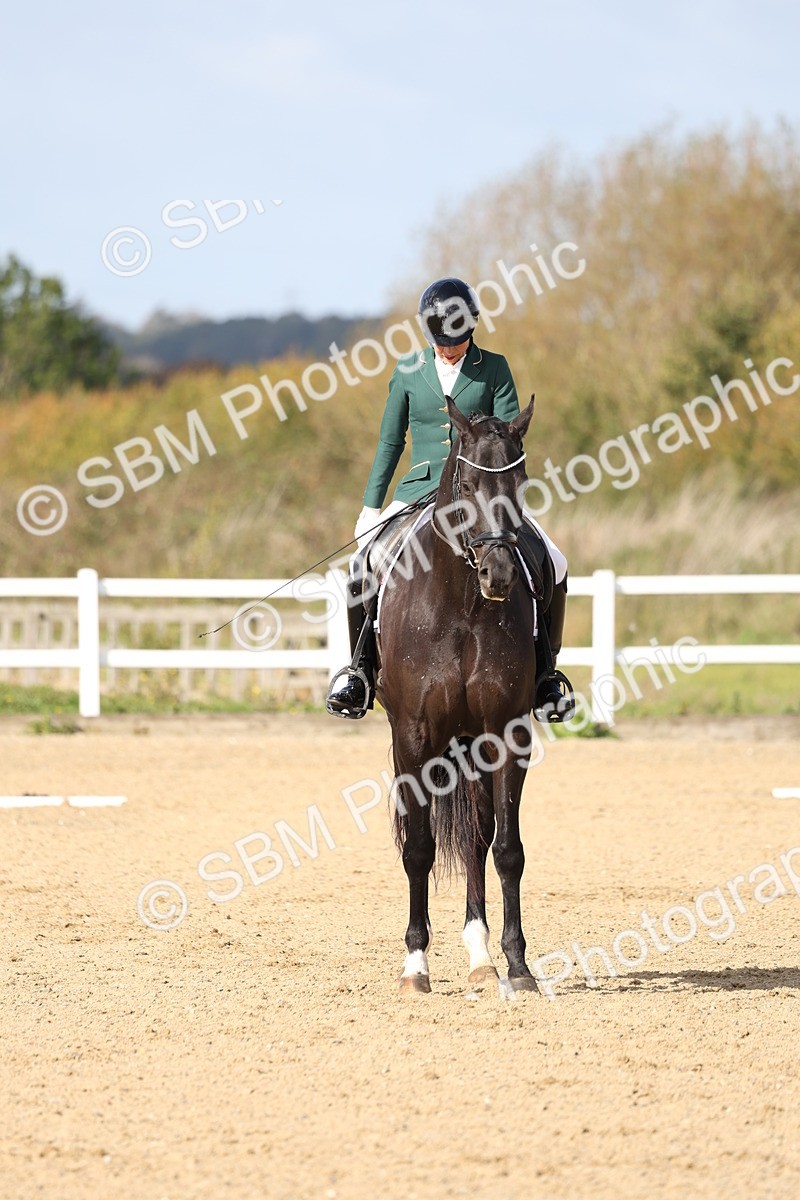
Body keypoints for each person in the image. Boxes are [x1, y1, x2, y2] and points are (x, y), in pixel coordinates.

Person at [326, 277, 574, 722]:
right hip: (420, 490)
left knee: (554, 561)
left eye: (457, 342)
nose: (449, 349)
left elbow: (507, 435)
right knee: (362, 565)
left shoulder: (494, 367)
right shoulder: (406, 371)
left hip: (483, 492)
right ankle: (359, 672)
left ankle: (547, 677)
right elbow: (389, 444)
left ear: (472, 329)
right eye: (442, 342)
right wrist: (369, 508)